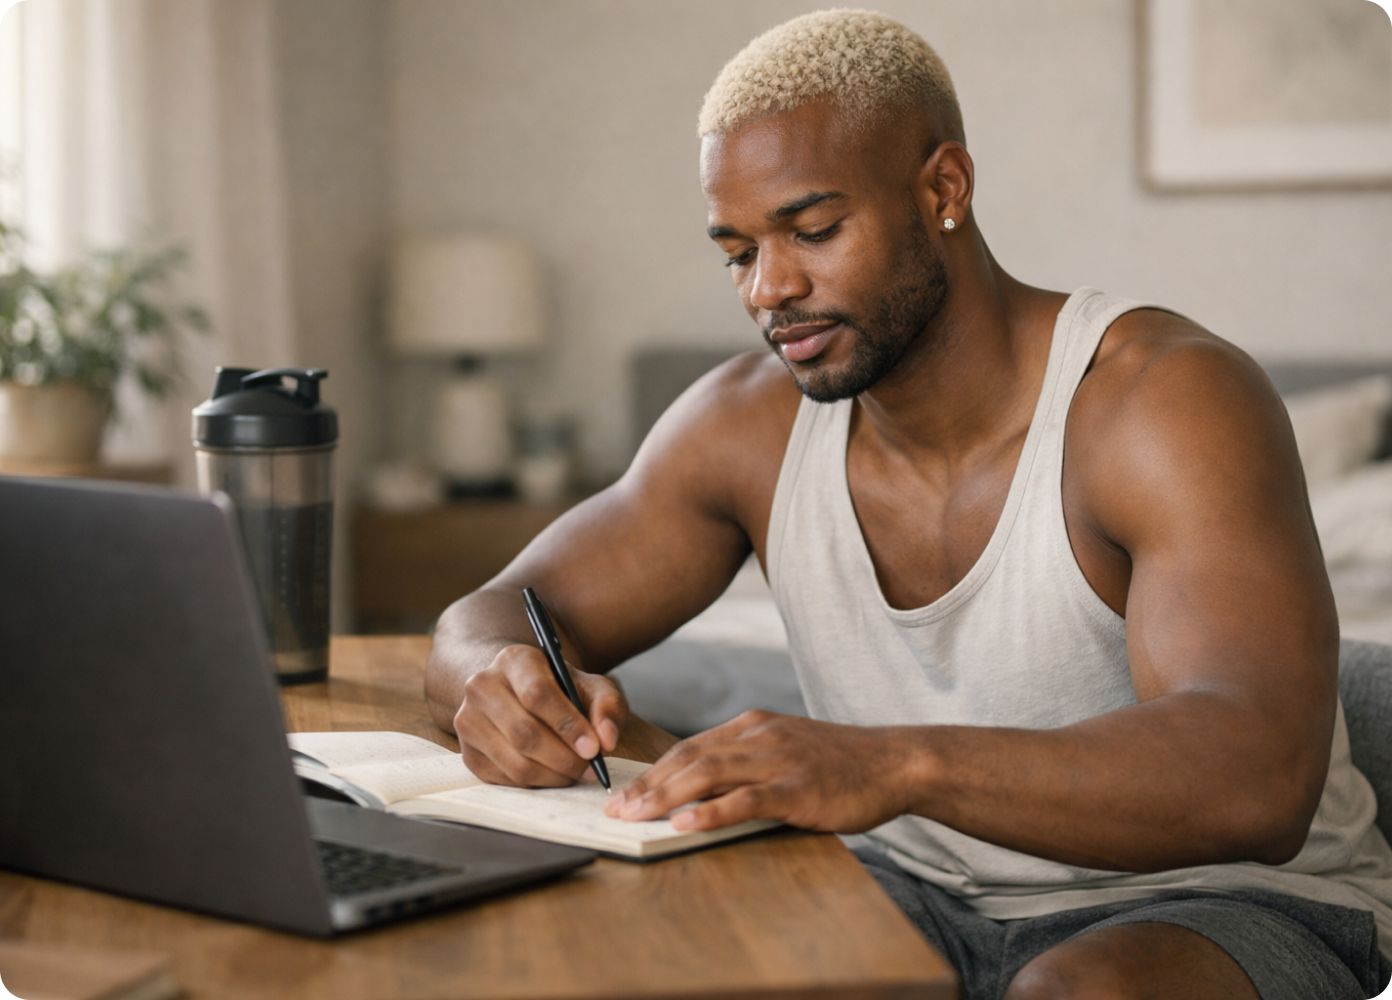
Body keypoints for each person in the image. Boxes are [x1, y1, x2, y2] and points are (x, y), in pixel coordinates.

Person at [426, 9, 1392, 999]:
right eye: (736, 251)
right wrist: (494, 677)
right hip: (920, 888)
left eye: (812, 230)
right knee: (671, 954)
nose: (770, 289)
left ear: (943, 188)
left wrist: (895, 764)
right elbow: (494, 610)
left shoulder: (1160, 401)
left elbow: (1256, 777)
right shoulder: (742, 426)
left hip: (1227, 899)